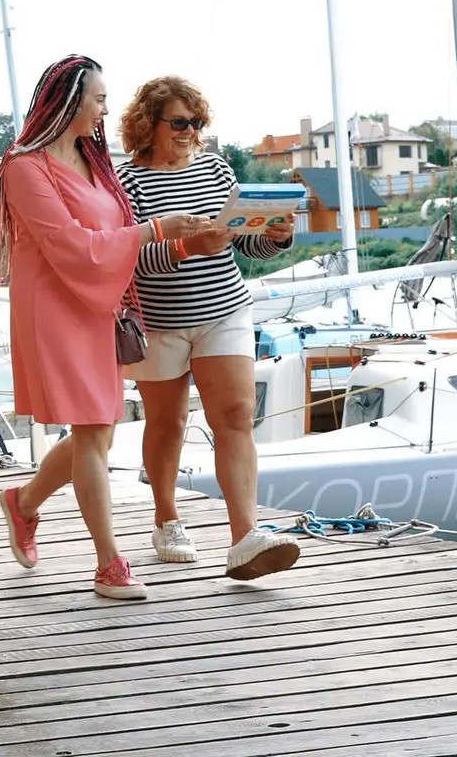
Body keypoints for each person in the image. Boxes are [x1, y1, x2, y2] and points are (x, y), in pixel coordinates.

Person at [0, 55, 219, 600]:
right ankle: (108, 563)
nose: (105, 110)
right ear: (68, 101)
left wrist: (183, 243)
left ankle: (23, 502)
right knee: (94, 430)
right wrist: (157, 230)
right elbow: (70, 245)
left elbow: (115, 239)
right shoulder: (23, 167)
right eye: (98, 99)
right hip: (56, 310)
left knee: (100, 430)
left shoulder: (96, 163)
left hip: (100, 307)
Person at [115, 74, 301, 581]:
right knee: (167, 423)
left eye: (197, 122)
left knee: (236, 415)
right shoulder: (126, 183)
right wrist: (185, 248)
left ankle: (245, 537)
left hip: (224, 310)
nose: (190, 132)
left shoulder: (216, 169)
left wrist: (276, 236)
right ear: (149, 123)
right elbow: (126, 260)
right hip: (159, 322)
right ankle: (166, 519)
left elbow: (243, 244)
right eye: (179, 122)